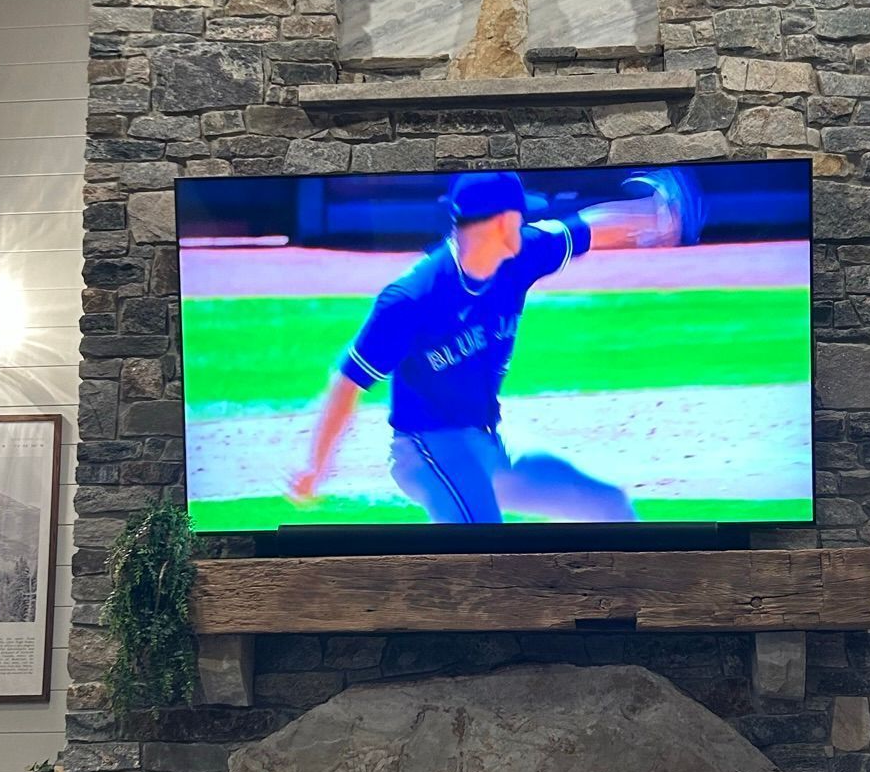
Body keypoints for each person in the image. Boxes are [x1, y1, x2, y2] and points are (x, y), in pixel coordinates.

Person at [289, 169, 692, 526]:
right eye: (520, 214)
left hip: (490, 443)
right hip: (427, 448)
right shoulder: (413, 297)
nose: (526, 220)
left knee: (609, 505)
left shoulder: (522, 255)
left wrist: (656, 219)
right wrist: (315, 467)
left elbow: (589, 228)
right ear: (503, 221)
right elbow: (348, 381)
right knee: (488, 552)